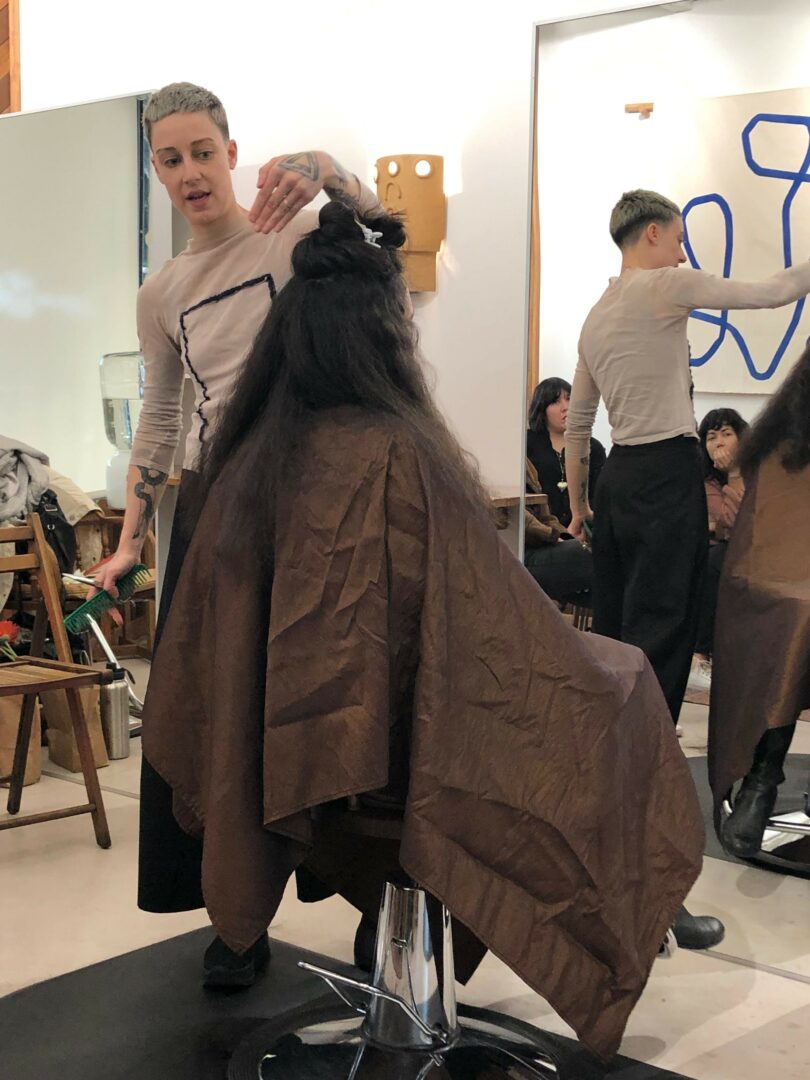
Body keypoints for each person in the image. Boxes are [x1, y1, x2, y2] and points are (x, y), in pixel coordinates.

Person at [140, 197, 705, 1061]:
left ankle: (394, 933)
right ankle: (591, 926)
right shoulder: (403, 452)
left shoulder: (247, 460)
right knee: (620, 691)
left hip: (288, 760)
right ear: (385, 337)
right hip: (411, 762)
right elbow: (496, 638)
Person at [90, 82, 381, 988]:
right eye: (170, 159)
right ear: (157, 169)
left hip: (318, 492)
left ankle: (378, 892)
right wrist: (132, 539)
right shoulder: (162, 291)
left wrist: (327, 168)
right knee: (221, 708)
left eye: (202, 152)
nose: (190, 172)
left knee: (340, 691)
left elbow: (381, 228)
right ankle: (239, 918)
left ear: (231, 152)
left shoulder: (291, 239)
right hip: (219, 504)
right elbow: (162, 417)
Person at [564, 188, 810, 947]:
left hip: (618, 484)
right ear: (650, 235)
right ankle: (649, 887)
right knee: (659, 668)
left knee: (619, 661)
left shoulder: (596, 315)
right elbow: (770, 292)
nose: (681, 250)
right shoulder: (664, 285)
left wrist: (580, 506)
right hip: (667, 476)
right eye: (676, 237)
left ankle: (606, 856)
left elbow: (579, 426)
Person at [709, 344, 810, 858]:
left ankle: (761, 784)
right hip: (781, 591)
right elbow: (761, 548)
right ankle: (760, 780)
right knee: (795, 628)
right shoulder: (777, 448)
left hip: (788, 591)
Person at [688, 408, 748, 693]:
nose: (719, 443)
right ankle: (699, 657)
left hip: (760, 551)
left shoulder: (761, 472)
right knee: (716, 560)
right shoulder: (707, 482)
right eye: (711, 437)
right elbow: (733, 524)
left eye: (726, 434)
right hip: (719, 555)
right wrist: (734, 475)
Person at [526, 377, 605, 528]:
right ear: (542, 408)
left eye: (569, 399)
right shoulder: (526, 444)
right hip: (540, 530)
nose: (565, 407)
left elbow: (600, 496)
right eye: (555, 401)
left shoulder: (593, 447)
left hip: (584, 529)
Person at [522, 458, 593, 605]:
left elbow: (545, 515)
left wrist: (563, 535)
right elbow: (513, 517)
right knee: (604, 552)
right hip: (519, 553)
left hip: (541, 545)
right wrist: (552, 535)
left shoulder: (522, 459)